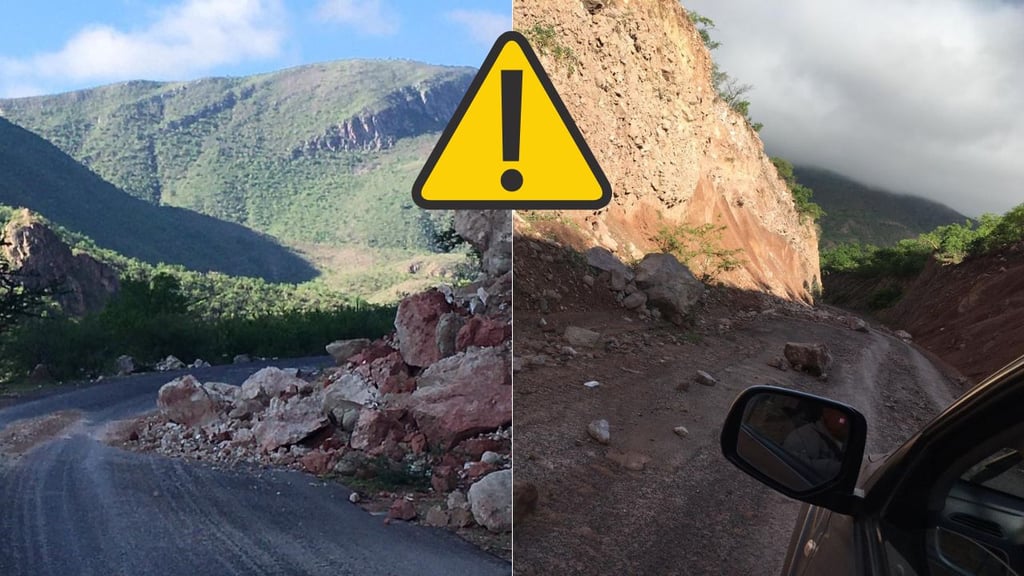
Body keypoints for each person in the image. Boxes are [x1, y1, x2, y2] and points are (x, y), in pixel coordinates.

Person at [783, 406, 849, 482]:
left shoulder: (847, 441)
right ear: (827, 412)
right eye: (843, 412)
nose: (847, 421)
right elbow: (795, 469)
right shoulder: (802, 438)